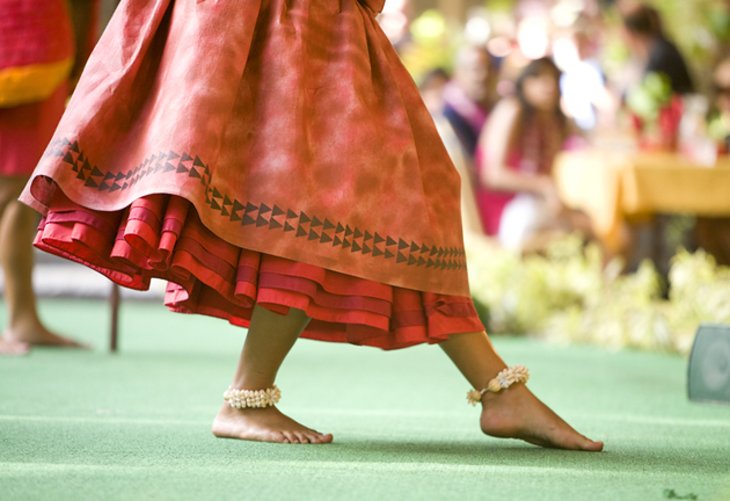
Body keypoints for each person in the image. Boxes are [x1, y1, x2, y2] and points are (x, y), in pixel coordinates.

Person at [19, 0, 602, 450]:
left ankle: (499, 389)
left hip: (304, 20)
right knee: (326, 194)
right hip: (280, 20)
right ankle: (248, 398)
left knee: (394, 187)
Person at [0, 0, 92, 355]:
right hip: (22, 42)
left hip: (45, 44)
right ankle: (21, 318)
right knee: (12, 193)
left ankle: (24, 317)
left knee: (23, 193)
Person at [476, 57, 592, 252]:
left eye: (553, 78)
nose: (548, 86)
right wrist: (543, 186)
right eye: (539, 78)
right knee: (581, 229)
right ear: (525, 83)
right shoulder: (512, 110)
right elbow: (492, 175)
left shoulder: (553, 121)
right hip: (503, 210)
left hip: (532, 205)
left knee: (589, 224)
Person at [442, 45, 498, 160]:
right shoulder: (449, 115)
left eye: (488, 68)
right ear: (458, 72)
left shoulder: (489, 105)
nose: (484, 75)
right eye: (475, 69)